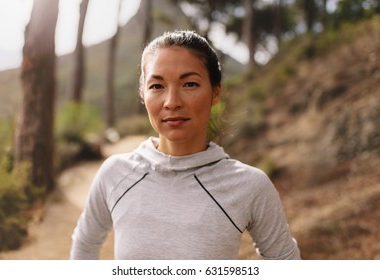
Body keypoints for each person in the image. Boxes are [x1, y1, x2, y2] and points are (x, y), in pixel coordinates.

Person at [70, 30, 301, 260]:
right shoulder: (115, 174)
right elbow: (84, 244)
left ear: (215, 92)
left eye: (189, 84)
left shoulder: (250, 186)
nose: (172, 102)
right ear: (143, 93)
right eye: (157, 86)